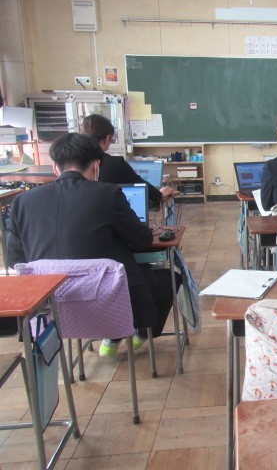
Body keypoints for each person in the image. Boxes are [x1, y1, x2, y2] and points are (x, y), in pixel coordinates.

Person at [6, 133, 179, 356]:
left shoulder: (23, 201)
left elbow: (15, 260)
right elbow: (142, 240)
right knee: (166, 277)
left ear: (56, 168)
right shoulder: (107, 194)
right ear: (96, 166)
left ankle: (101, 347)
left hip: (48, 307)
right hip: (104, 302)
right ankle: (133, 334)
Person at [81, 114, 174, 203]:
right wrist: (159, 194)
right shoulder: (115, 164)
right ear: (107, 138)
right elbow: (140, 185)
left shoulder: (75, 161)